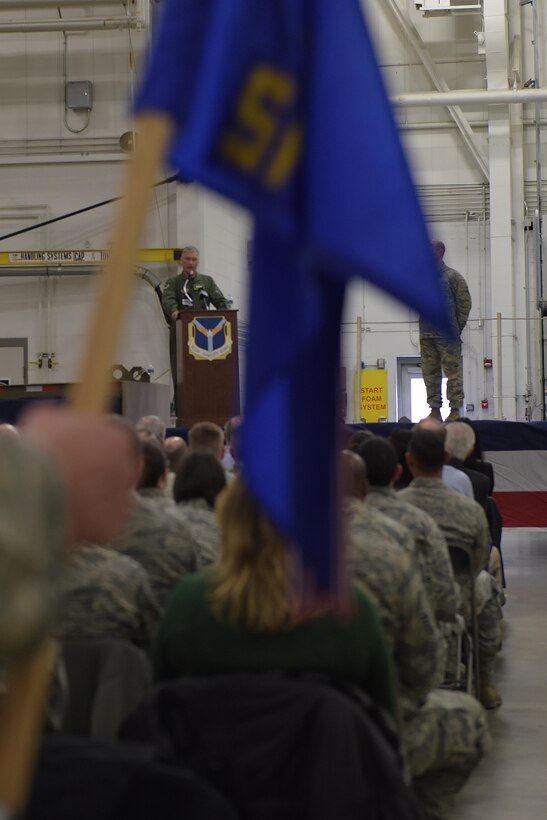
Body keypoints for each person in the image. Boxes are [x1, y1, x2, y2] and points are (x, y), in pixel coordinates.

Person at [154, 477, 397, 721]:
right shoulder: (348, 607)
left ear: (229, 520)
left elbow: (158, 706)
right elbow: (384, 722)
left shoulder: (191, 602)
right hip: (326, 743)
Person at [162, 246, 228, 412]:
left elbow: (221, 302)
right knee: (182, 374)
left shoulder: (207, 281)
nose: (191, 263)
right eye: (187, 259)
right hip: (181, 336)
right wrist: (174, 311)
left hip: (206, 339)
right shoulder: (173, 282)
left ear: (198, 261)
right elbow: (168, 300)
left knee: (207, 374)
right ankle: (183, 409)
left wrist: (225, 315)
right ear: (181, 261)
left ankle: (209, 408)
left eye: (194, 259)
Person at [419, 241, 471, 422]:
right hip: (426, 334)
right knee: (430, 373)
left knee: (452, 373)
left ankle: (455, 409)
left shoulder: (452, 277)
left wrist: (455, 328)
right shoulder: (423, 278)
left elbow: (465, 304)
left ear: (440, 252)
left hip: (447, 336)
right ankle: (434, 410)